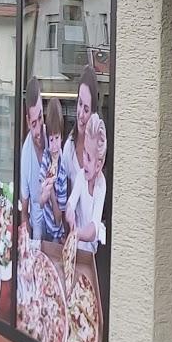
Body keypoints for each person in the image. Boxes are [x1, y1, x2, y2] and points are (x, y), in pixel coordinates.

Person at [66, 112, 108, 251]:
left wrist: (78, 233)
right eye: (84, 152)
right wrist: (70, 212)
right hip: (77, 247)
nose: (84, 159)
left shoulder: (101, 186)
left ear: (98, 165)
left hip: (92, 250)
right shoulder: (81, 176)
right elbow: (71, 203)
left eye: (89, 157)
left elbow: (94, 227)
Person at [19, 76, 50, 239]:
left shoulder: (53, 138)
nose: (38, 129)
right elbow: (24, 212)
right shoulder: (25, 155)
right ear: (27, 122)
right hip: (37, 229)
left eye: (40, 118)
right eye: (33, 123)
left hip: (56, 225)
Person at [62, 65, 99, 190]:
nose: (81, 114)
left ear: (93, 113)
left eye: (86, 109)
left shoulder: (99, 148)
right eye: (80, 104)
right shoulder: (69, 148)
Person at [40, 97, 70, 241]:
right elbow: (39, 199)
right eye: (50, 139)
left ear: (62, 137)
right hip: (44, 223)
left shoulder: (63, 168)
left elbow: (59, 216)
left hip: (56, 233)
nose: (54, 146)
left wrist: (50, 189)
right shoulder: (46, 157)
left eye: (57, 138)